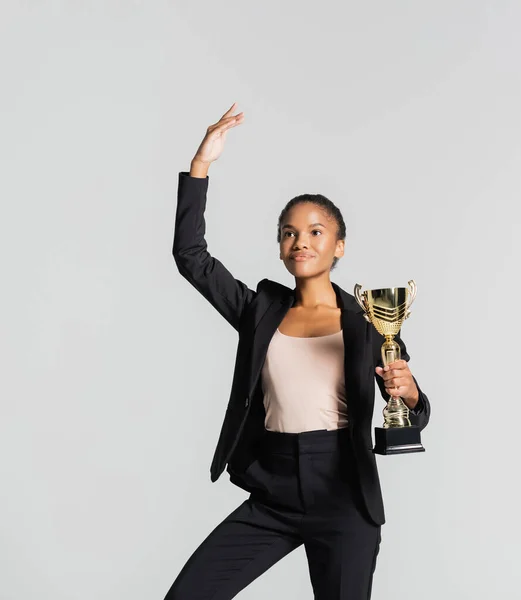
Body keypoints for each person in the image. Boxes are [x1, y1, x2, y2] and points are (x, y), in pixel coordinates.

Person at [164, 102, 431, 600]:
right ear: (280, 245)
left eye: (315, 232)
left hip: (344, 492)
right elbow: (191, 258)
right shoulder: (259, 310)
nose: (299, 241)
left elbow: (416, 411)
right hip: (274, 488)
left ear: (339, 247)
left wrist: (412, 396)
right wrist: (201, 166)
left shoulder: (368, 320)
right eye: (289, 232)